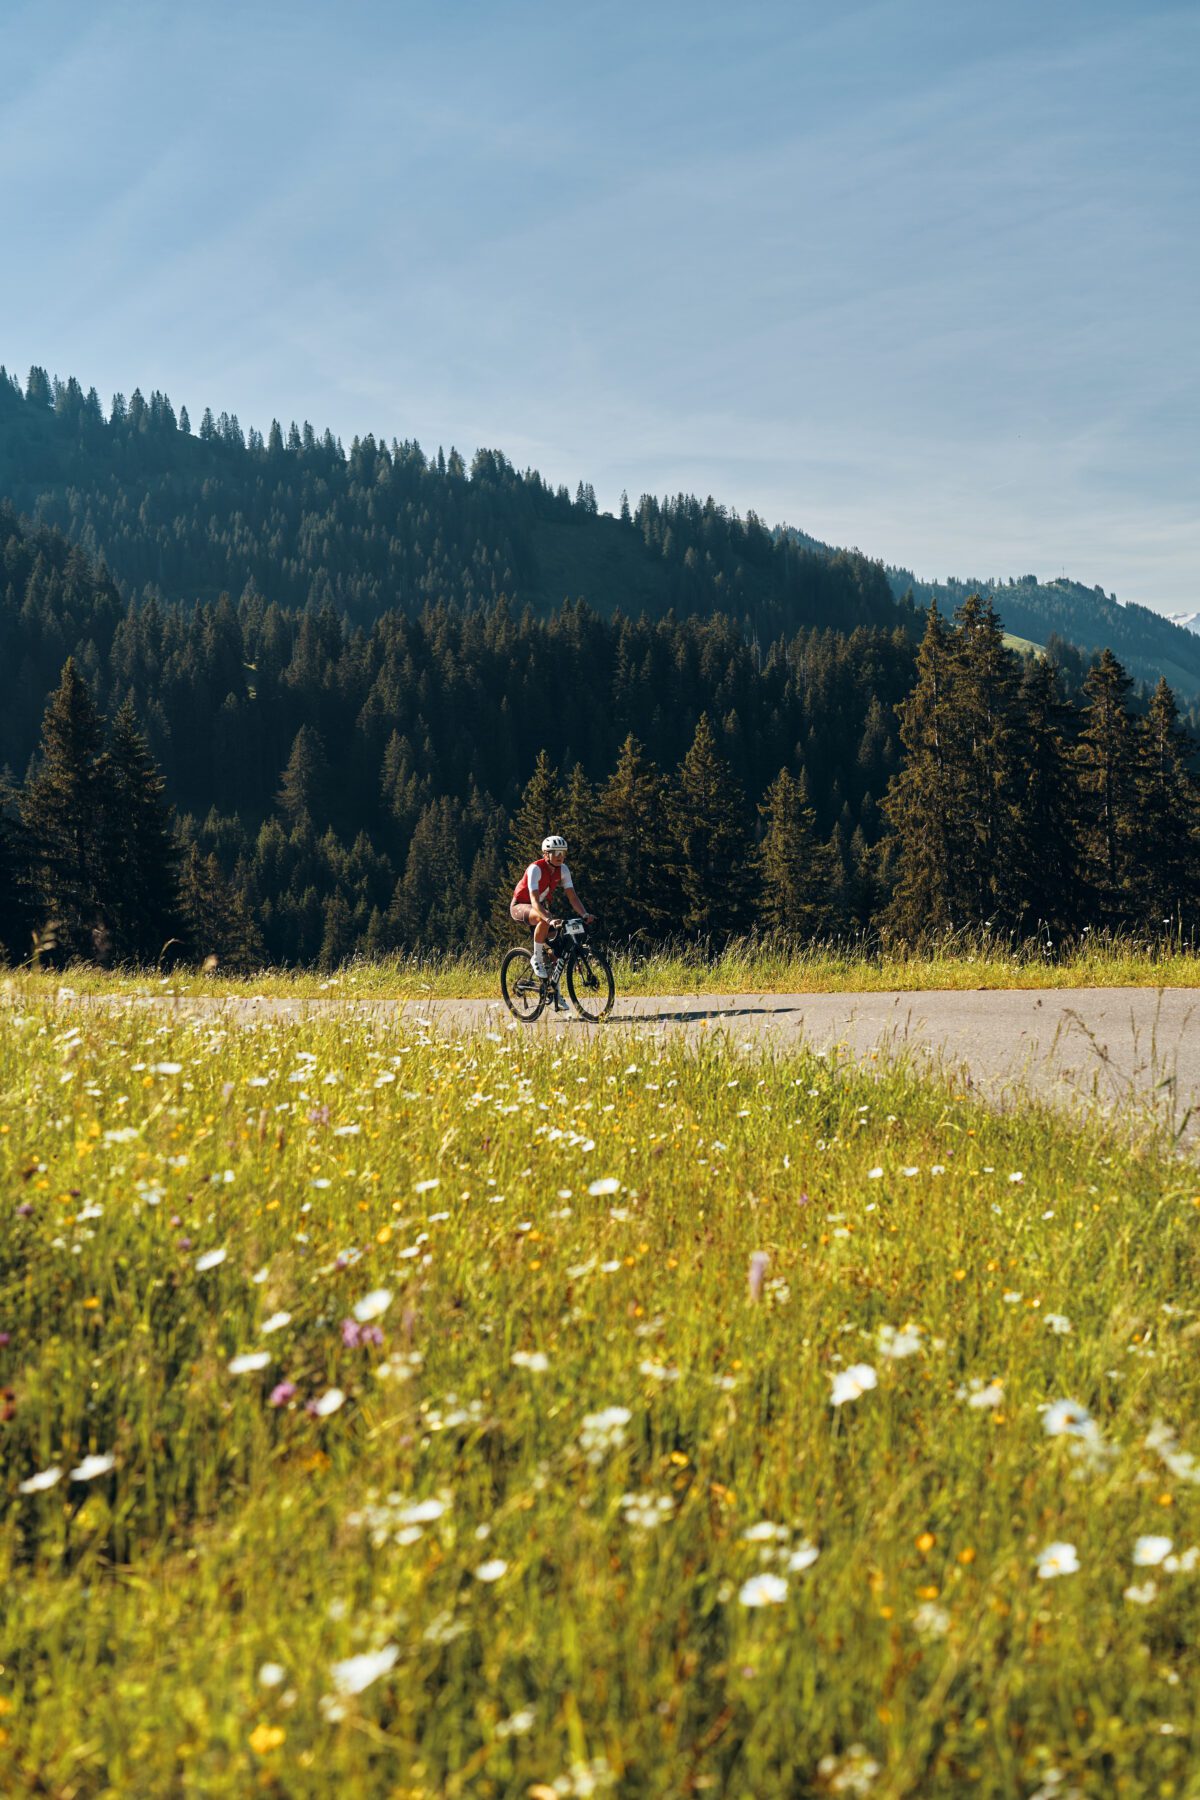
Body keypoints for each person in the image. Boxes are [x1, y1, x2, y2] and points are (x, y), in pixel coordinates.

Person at [510, 834, 594, 987]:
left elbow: (573, 897)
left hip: (540, 908)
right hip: (521, 905)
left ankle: (552, 989)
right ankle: (536, 958)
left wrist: (584, 914)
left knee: (556, 951)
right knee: (543, 919)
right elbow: (534, 902)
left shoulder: (563, 870)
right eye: (556, 853)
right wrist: (549, 919)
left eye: (563, 853)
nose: (560, 856)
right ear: (546, 854)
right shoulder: (535, 869)